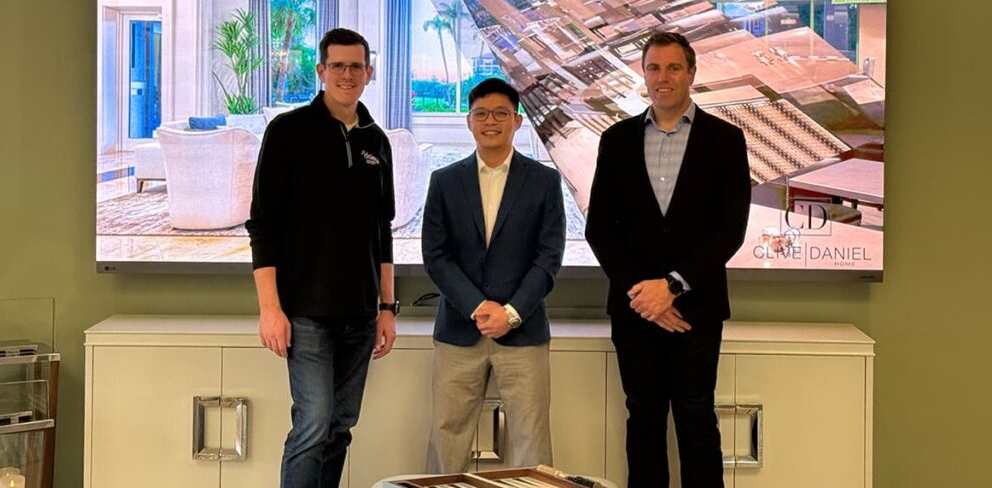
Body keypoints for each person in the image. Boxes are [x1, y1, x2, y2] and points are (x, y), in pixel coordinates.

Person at [585, 32, 751, 488]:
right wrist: (644, 294)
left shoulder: (725, 140)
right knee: (643, 420)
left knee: (697, 419)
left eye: (673, 68)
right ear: (643, 74)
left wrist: (672, 286)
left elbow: (729, 230)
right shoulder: (616, 140)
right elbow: (600, 229)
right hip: (636, 309)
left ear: (692, 74)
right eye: (654, 68)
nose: (663, 78)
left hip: (696, 311)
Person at [245, 27, 398, 488]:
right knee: (312, 426)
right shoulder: (288, 132)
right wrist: (270, 310)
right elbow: (263, 226)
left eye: (356, 66)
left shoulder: (377, 140)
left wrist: (387, 309)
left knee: (339, 428)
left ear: (369, 73)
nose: (346, 74)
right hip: (306, 313)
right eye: (337, 66)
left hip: (360, 314)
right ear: (321, 70)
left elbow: (382, 232)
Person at [421, 77, 566, 473]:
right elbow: (435, 256)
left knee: (531, 441)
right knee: (447, 436)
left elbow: (549, 258)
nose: (491, 121)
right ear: (468, 121)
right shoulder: (444, 181)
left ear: (517, 121)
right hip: (458, 331)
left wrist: (512, 312)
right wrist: (478, 307)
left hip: (524, 331)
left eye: (501, 113)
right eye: (481, 113)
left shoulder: (544, 181)